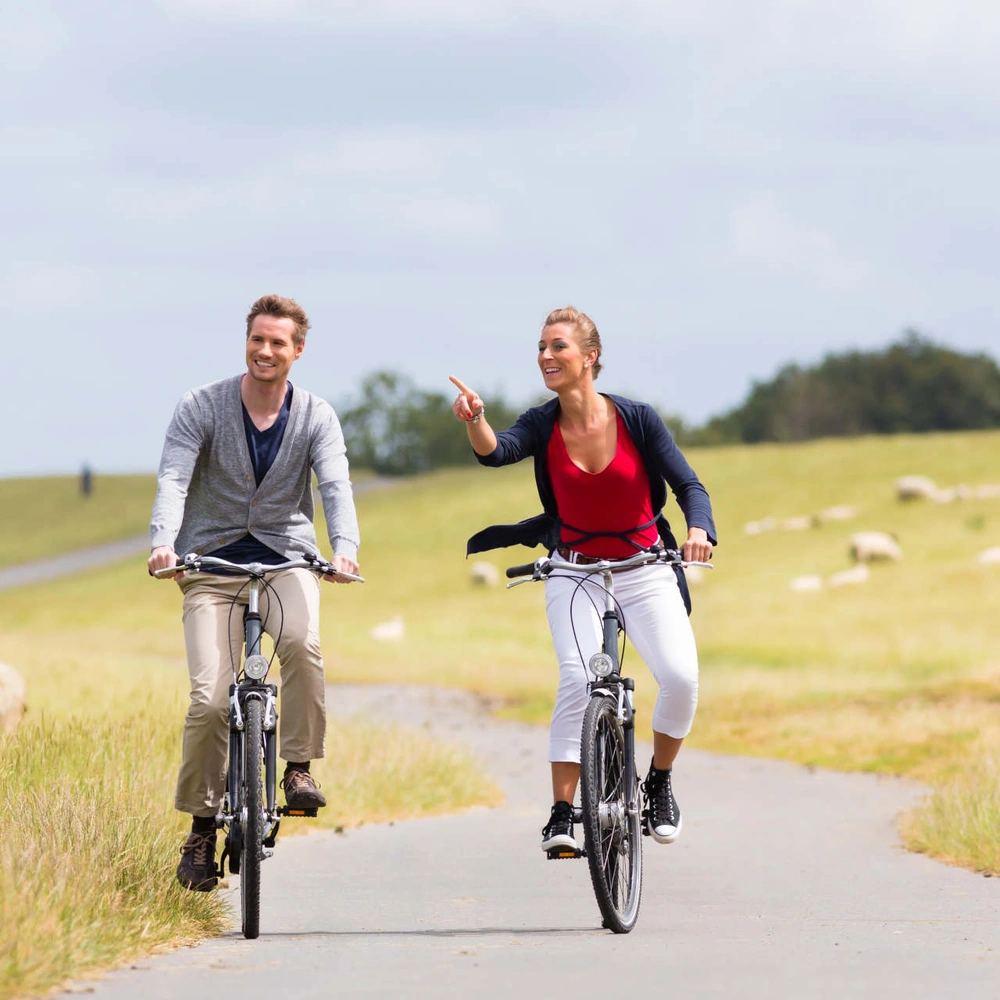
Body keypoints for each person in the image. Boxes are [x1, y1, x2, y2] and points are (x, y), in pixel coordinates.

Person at [450, 306, 716, 853]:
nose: (546, 356)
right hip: (573, 570)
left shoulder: (637, 418)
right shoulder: (542, 422)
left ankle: (659, 782)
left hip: (645, 569)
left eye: (558, 347)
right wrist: (475, 419)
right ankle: (562, 812)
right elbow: (497, 452)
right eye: (541, 348)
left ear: (589, 357)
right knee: (577, 679)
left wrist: (699, 530)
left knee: (682, 678)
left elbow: (691, 485)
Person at [148, 293, 361, 891]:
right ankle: (200, 828)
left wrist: (344, 547)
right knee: (209, 700)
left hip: (285, 560)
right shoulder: (202, 406)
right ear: (247, 342)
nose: (265, 351)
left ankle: (297, 769)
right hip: (210, 567)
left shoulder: (317, 415)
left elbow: (336, 485)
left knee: (303, 644)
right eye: (257, 340)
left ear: (297, 351)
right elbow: (173, 476)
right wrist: (165, 541)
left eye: (278, 342)